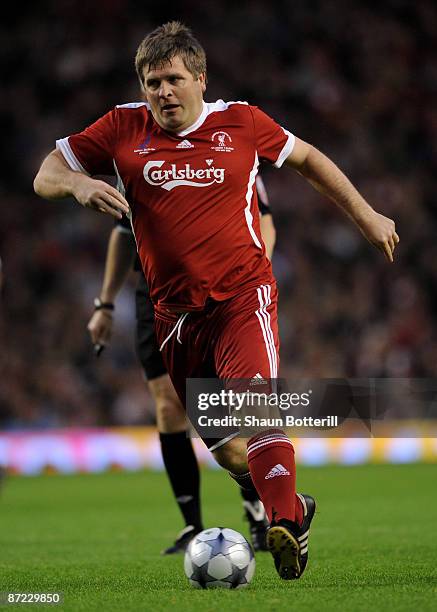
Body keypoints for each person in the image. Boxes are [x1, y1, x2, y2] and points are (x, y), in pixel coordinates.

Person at [34, 21, 399, 580]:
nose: (163, 93)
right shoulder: (120, 127)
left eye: (174, 80)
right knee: (230, 452)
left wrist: (367, 214)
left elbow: (310, 161)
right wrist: (79, 184)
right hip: (174, 318)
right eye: (152, 82)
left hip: (241, 298)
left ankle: (283, 523)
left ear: (201, 79)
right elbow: (46, 173)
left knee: (259, 405)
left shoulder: (242, 122)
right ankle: (295, 507)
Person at [87, 176, 276, 554]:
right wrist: (105, 303)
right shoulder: (137, 160)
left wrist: (254, 276)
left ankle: (257, 510)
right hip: (155, 292)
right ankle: (192, 523)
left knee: (225, 403)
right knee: (168, 404)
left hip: (223, 286)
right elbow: (124, 233)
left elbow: (264, 218)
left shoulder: (227, 153)